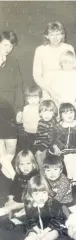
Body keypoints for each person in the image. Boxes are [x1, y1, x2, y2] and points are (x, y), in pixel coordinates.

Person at [14, 175, 66, 240]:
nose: (40, 197)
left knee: (48, 237)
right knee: (31, 236)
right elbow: (30, 219)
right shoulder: (29, 204)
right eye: (36, 194)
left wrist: (45, 231)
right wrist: (37, 230)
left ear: (48, 191)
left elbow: (58, 219)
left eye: (44, 193)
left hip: (52, 226)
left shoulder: (54, 203)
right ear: (31, 195)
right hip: (37, 226)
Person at [0, 30, 23, 180]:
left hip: (9, 109)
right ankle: (18, 182)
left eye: (11, 46)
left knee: (11, 150)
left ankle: (8, 180)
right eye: (5, 45)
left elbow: (18, 87)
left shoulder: (13, 62)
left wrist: (20, 109)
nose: (8, 49)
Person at [33, 21, 75, 100]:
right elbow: (37, 75)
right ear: (47, 36)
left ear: (62, 35)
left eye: (58, 34)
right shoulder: (40, 50)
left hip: (67, 89)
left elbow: (75, 70)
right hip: (47, 90)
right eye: (52, 35)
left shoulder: (69, 48)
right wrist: (50, 91)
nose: (55, 38)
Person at [52, 103, 76, 184]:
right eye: (65, 113)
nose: (69, 115)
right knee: (69, 160)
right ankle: (70, 178)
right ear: (61, 115)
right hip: (64, 151)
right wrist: (55, 147)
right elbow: (53, 139)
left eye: (71, 112)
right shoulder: (58, 127)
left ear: (75, 113)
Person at [0, 150, 39, 217]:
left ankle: (7, 210)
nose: (25, 167)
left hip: (32, 200)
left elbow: (37, 191)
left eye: (28, 163)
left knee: (11, 207)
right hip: (19, 199)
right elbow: (13, 188)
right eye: (22, 164)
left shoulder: (35, 175)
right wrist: (10, 199)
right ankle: (12, 211)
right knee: (8, 203)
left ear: (33, 164)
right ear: (18, 166)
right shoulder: (18, 175)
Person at [49, 50, 76, 115]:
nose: (68, 64)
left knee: (73, 115)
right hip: (61, 99)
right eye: (65, 62)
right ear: (61, 63)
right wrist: (55, 97)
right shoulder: (57, 73)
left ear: (74, 62)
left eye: (70, 62)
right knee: (62, 115)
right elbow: (52, 88)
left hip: (73, 99)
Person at [33, 100, 58, 169]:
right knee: (36, 158)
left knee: (41, 158)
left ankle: (43, 173)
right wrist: (36, 141)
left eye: (50, 112)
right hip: (39, 143)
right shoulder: (40, 121)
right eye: (44, 112)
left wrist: (41, 148)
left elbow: (50, 139)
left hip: (46, 146)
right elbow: (39, 133)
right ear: (40, 113)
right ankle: (40, 171)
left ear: (53, 114)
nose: (47, 115)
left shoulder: (52, 124)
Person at [16, 85, 42, 152]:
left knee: (38, 151)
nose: (32, 100)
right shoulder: (25, 108)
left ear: (40, 98)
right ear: (27, 99)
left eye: (35, 97)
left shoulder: (41, 108)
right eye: (30, 98)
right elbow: (21, 121)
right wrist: (19, 119)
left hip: (39, 134)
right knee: (28, 151)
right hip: (27, 133)